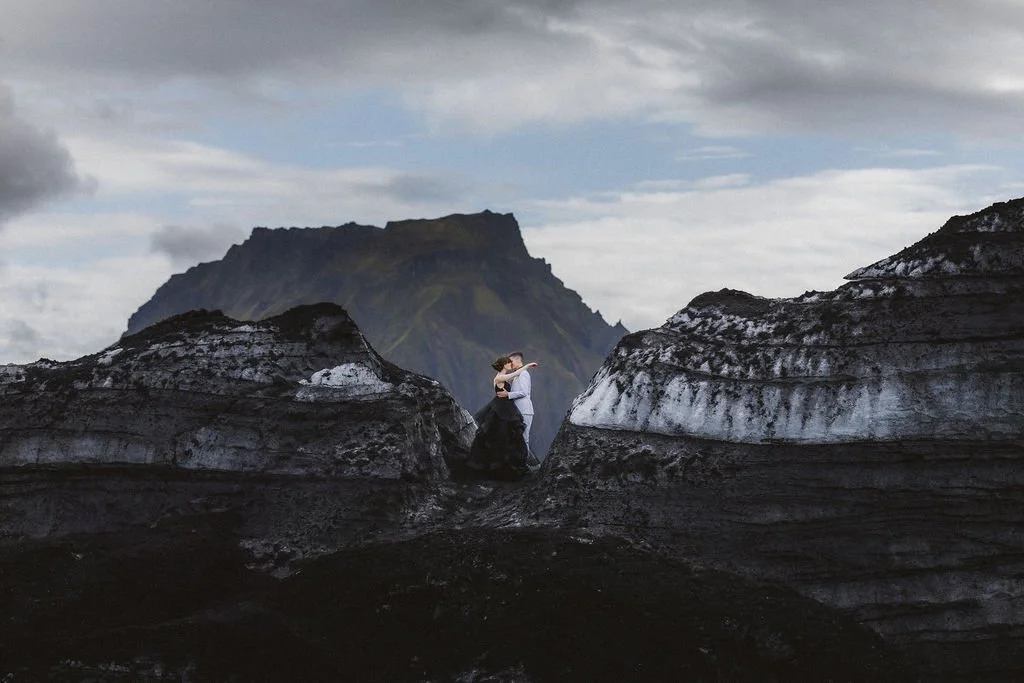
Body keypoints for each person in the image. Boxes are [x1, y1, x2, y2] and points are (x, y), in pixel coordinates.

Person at [467, 355, 538, 479]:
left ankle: (519, 464)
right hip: (504, 410)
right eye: (508, 362)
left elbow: (521, 386)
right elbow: (514, 376)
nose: (510, 363)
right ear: (504, 365)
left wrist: (524, 368)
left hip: (508, 410)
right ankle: (517, 466)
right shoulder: (501, 377)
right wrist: (526, 366)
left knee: (516, 438)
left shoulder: (512, 376)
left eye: (511, 361)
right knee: (508, 438)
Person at [498, 351, 539, 468]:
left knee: (524, 438)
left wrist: (508, 395)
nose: (509, 364)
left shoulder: (524, 374)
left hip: (525, 410)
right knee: (517, 437)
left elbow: (524, 392)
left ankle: (524, 464)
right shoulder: (517, 374)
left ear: (517, 360)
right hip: (518, 411)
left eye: (511, 361)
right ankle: (519, 462)